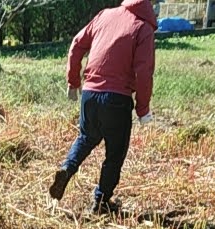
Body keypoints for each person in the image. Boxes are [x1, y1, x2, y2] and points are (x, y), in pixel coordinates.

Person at [48, 0, 157, 215]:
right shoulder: (143, 28)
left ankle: (67, 169)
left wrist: (73, 81)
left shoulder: (105, 15)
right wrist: (142, 109)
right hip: (117, 99)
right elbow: (144, 72)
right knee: (115, 153)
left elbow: (77, 44)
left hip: (89, 94)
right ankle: (100, 201)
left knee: (86, 138)